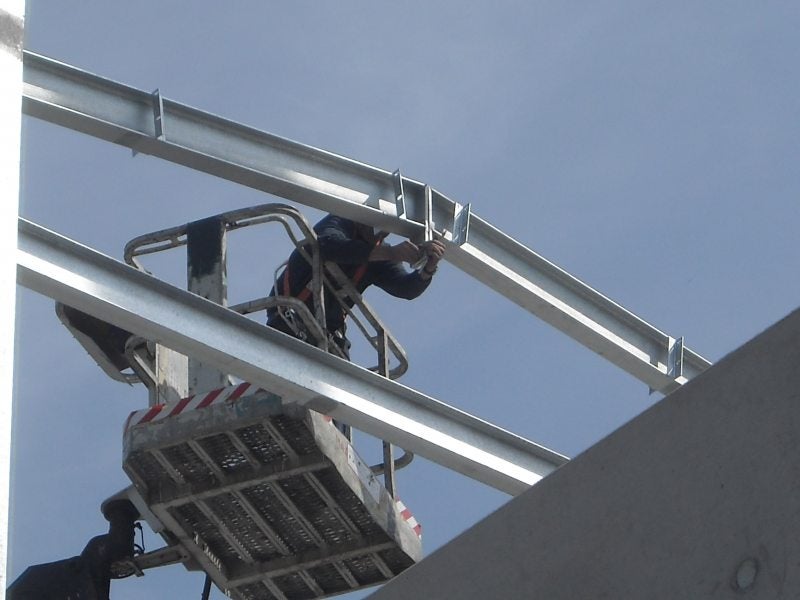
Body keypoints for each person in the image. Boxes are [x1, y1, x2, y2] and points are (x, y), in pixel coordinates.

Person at [267, 213, 445, 357]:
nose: (377, 234)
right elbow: (329, 246)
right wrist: (390, 253)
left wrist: (427, 269)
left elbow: (405, 288)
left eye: (384, 230)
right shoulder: (339, 222)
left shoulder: (381, 253)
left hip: (329, 338)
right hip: (289, 318)